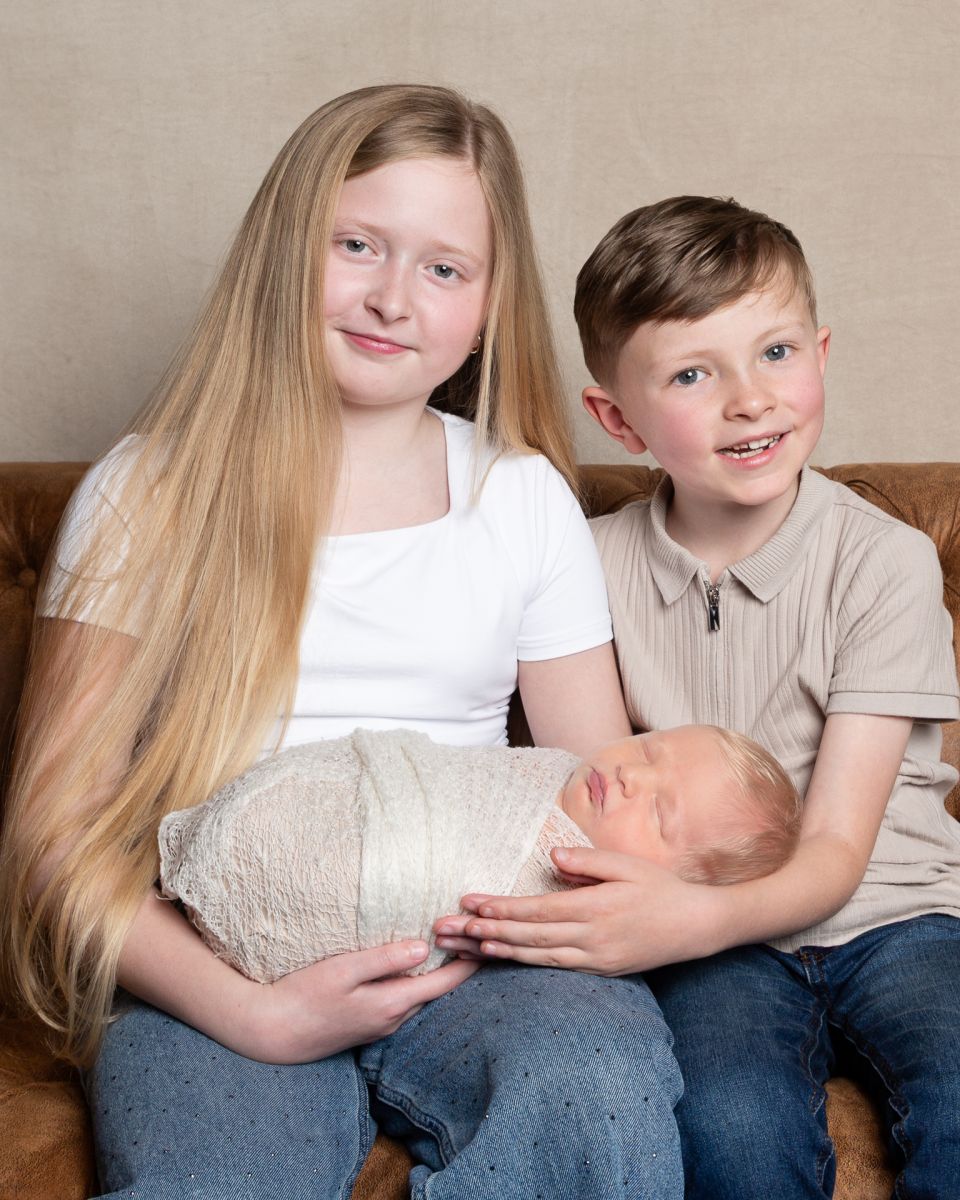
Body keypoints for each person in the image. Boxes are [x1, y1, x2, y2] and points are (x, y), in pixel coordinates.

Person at [0, 88, 685, 1200]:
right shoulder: (147, 494)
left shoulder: (520, 500)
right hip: (218, 955)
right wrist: (253, 1015)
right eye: (356, 244)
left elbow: (600, 792)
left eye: (444, 268)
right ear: (284, 248)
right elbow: (54, 839)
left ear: (488, 305)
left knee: (599, 1086)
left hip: (488, 954)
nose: (391, 298)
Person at [439, 195, 960, 1198]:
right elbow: (571, 787)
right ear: (617, 418)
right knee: (729, 1122)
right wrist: (665, 923)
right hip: (713, 940)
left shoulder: (882, 562)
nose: (750, 400)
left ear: (820, 349)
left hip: (900, 915)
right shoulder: (582, 565)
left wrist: (682, 922)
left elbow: (837, 852)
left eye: (774, 354)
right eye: (691, 374)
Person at [159, 724, 801, 983]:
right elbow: (456, 777)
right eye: (647, 749)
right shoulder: (551, 769)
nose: (632, 776)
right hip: (348, 791)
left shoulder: (587, 898)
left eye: (660, 815)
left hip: (370, 892)